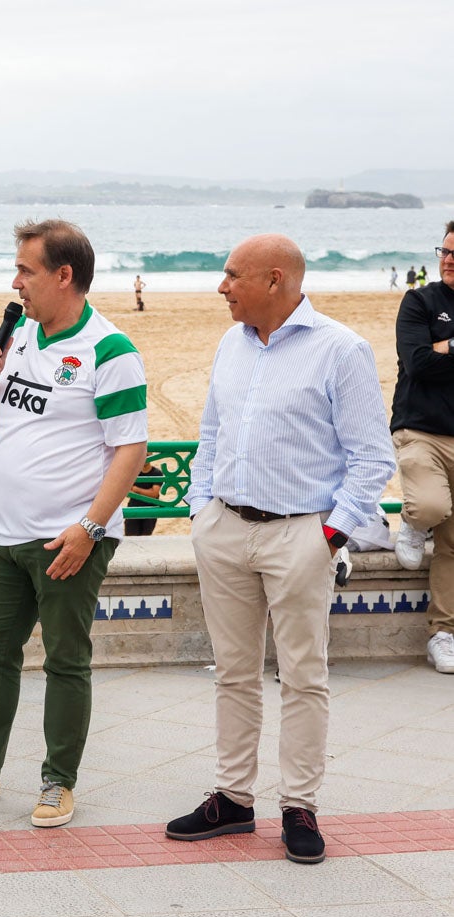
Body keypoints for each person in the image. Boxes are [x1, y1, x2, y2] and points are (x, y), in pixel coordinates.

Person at [165, 234, 394, 864]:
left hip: (302, 532)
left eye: (232, 275)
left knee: (303, 676)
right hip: (226, 528)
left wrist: (328, 534)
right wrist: (200, 509)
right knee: (233, 671)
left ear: (274, 280)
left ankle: (300, 806)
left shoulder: (340, 349)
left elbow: (373, 457)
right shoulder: (229, 345)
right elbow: (209, 435)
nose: (221, 286)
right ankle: (234, 799)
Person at [0, 219, 147, 828]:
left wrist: (90, 529)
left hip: (68, 538)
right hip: (4, 532)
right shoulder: (20, 335)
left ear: (63, 276)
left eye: (26, 270)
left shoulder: (109, 350)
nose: (15, 281)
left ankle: (57, 782)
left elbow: (130, 451)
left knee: (66, 660)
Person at [389, 221, 454, 674]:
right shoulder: (419, 300)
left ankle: (443, 633)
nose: (448, 259)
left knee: (453, 544)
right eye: (445, 250)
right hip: (421, 430)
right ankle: (414, 524)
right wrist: (437, 352)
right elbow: (418, 362)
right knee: (432, 508)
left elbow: (437, 358)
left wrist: (445, 348)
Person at [124, 458, 162, 536]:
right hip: (134, 508)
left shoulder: (156, 473)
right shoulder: (134, 472)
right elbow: (126, 491)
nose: (145, 457)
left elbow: (154, 493)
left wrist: (136, 490)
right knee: (130, 537)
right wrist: (147, 491)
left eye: (147, 455)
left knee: (145, 538)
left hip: (150, 510)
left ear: (151, 455)